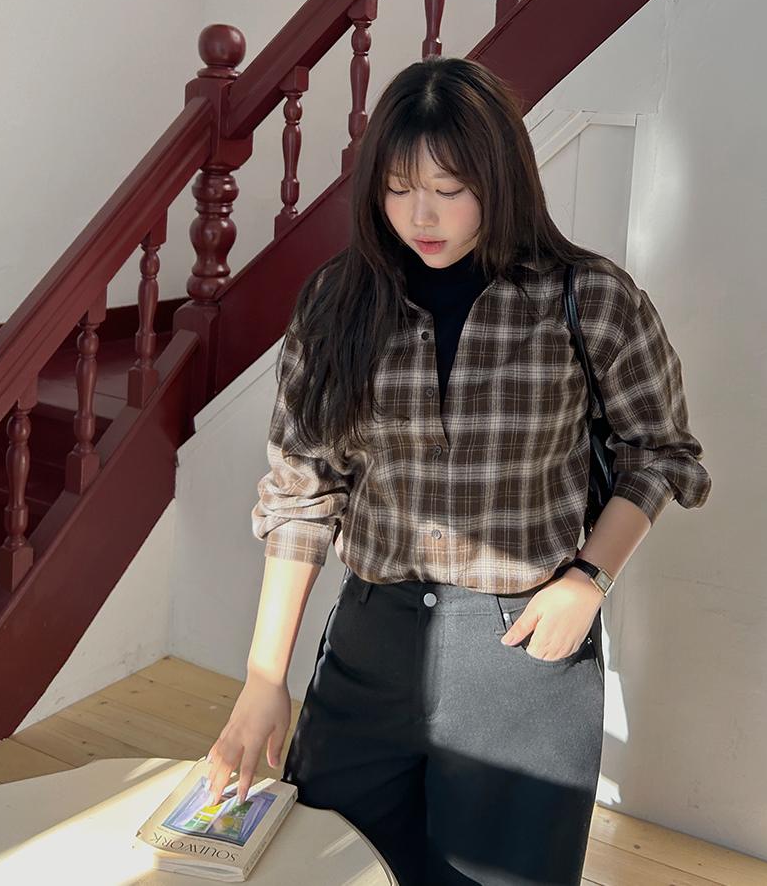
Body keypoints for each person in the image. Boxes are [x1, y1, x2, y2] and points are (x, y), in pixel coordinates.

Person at [205, 57, 711, 886]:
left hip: (524, 654)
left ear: (501, 177)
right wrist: (265, 678)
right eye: (398, 188)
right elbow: (302, 492)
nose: (422, 215)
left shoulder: (588, 297)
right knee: (328, 870)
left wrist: (589, 580)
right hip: (370, 643)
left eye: (450, 188)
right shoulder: (337, 301)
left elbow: (659, 451)